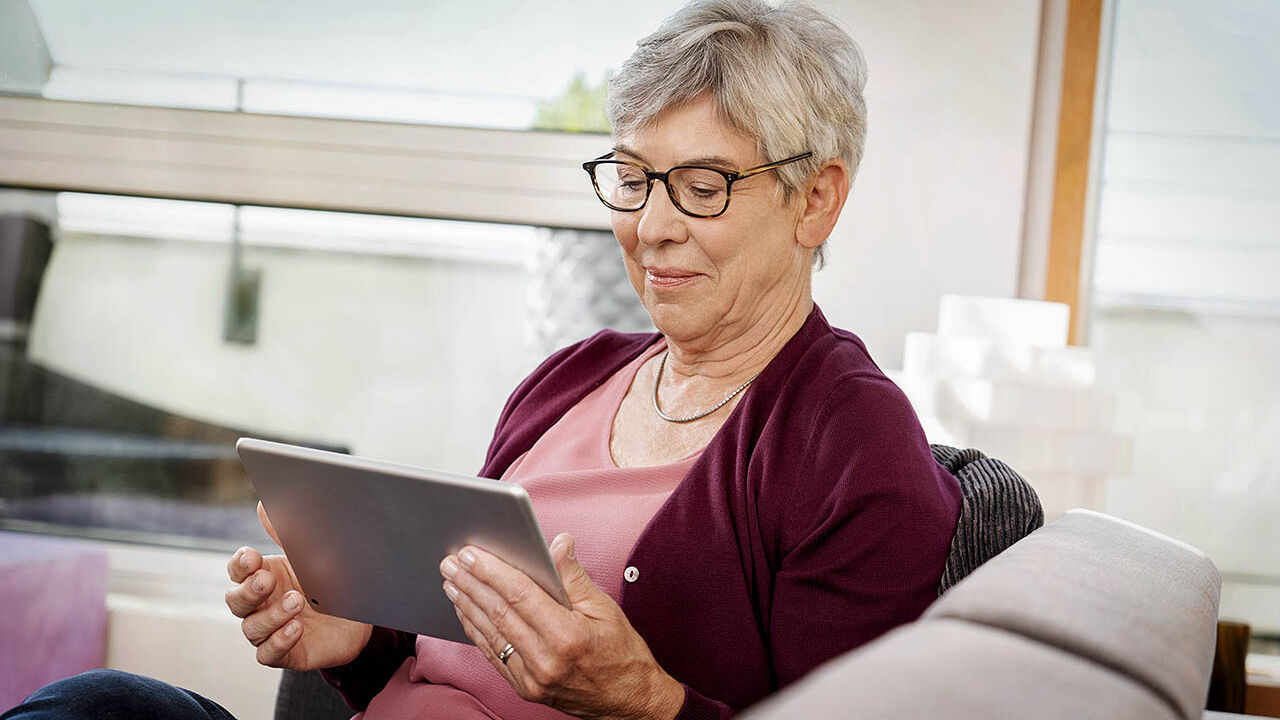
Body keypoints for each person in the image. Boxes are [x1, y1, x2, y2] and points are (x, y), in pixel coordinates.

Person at [2, 1, 960, 719]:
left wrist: (643, 698)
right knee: (98, 705)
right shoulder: (573, 376)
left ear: (818, 199)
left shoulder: (851, 443)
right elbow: (440, 658)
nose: (651, 226)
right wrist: (352, 640)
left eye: (703, 186)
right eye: (632, 179)